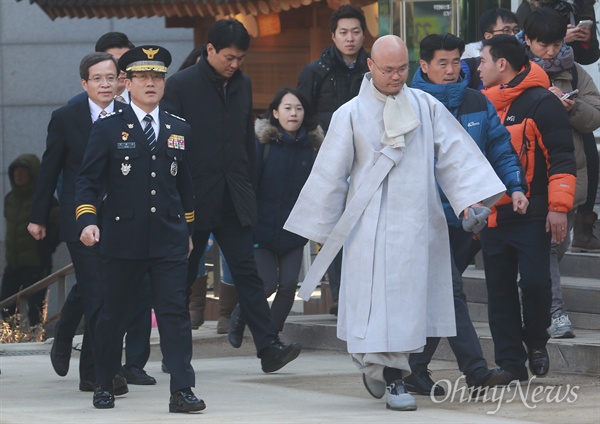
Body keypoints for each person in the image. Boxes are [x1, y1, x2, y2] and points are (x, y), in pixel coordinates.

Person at [284, 35, 507, 411]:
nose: (396, 77)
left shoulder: (426, 106)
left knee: (407, 310)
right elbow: (330, 175)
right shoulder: (350, 113)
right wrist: (323, 229)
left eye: (402, 68)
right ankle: (388, 376)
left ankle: (389, 374)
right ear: (370, 66)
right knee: (378, 308)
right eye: (388, 70)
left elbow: (454, 156)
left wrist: (470, 202)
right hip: (369, 230)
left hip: (419, 224)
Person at [161, 18, 302, 373]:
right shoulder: (180, 85)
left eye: (240, 57)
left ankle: (269, 348)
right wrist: (174, 199)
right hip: (192, 200)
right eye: (228, 57)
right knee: (182, 278)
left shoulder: (243, 85)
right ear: (209, 50)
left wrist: (249, 188)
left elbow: (246, 141)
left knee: (248, 275)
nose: (234, 64)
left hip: (234, 197)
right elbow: (170, 149)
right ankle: (174, 353)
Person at [75, 45, 205, 413]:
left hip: (168, 239)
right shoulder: (109, 128)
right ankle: (104, 381)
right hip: (122, 239)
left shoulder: (179, 128)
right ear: (126, 82)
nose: (151, 83)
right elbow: (87, 181)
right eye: (143, 77)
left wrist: (189, 230)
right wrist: (87, 220)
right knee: (113, 314)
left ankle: (182, 389)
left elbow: (185, 188)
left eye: (158, 76)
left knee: (174, 317)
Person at [405, 33, 528, 397]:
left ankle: (413, 369)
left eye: (456, 61)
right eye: (442, 62)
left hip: (466, 221)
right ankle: (475, 370)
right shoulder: (408, 106)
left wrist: (515, 186)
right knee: (448, 290)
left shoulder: (476, 101)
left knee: (439, 296)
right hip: (424, 220)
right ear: (423, 65)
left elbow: (500, 148)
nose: (450, 69)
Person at [28, 52, 129, 394]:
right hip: (79, 216)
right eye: (97, 78)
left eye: (110, 78)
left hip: (118, 219)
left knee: (108, 294)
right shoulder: (66, 117)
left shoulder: (130, 117)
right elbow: (50, 167)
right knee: (99, 294)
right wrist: (38, 217)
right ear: (84, 83)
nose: (105, 84)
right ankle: (98, 374)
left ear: (119, 82)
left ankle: (66, 336)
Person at [478, 34, 577, 384]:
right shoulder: (480, 104)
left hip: (534, 215)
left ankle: (536, 339)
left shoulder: (541, 102)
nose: (478, 68)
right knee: (500, 293)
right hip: (493, 216)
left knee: (536, 285)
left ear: (501, 64)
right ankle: (510, 365)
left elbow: (563, 157)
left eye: (483, 61)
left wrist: (559, 207)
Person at [520, 7, 600, 337]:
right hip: (530, 175)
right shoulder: (515, 70)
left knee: (559, 244)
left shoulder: (576, 73)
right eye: (544, 46)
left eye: (556, 45)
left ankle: (533, 293)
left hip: (567, 175)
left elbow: (595, 115)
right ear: (528, 41)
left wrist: (571, 108)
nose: (551, 52)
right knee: (547, 247)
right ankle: (553, 310)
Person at [228, 88, 323, 346]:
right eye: (288, 108)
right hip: (262, 227)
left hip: (295, 228)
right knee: (267, 284)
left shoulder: (313, 149)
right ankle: (239, 317)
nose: (293, 113)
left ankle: (270, 338)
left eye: (299, 108)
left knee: (289, 283)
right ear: (275, 112)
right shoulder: (263, 145)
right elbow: (248, 185)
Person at [297, 4, 370, 313]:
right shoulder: (315, 71)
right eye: (344, 33)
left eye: (355, 32)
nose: (350, 38)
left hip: (367, 160)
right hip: (326, 158)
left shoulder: (373, 68)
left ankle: (363, 292)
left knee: (365, 227)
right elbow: (302, 113)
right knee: (334, 228)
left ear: (363, 34)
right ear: (333, 36)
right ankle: (339, 295)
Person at [1, 154, 59, 327]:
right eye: (15, 172)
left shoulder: (46, 200)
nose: (18, 175)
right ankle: (11, 339)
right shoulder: (10, 199)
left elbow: (58, 228)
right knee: (6, 305)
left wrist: (46, 247)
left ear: (32, 174)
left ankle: (37, 337)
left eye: (23, 172)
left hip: (37, 263)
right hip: (13, 264)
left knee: (36, 307)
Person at [517, 0, 600, 64]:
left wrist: (586, 41)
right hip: (538, 72)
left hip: (570, 73)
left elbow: (590, 58)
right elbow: (518, 50)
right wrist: (560, 39)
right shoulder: (530, 5)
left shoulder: (584, 4)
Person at [461, 8, 521, 90]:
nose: (513, 35)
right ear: (488, 36)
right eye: (506, 30)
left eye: (516, 30)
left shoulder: (526, 64)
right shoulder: (469, 67)